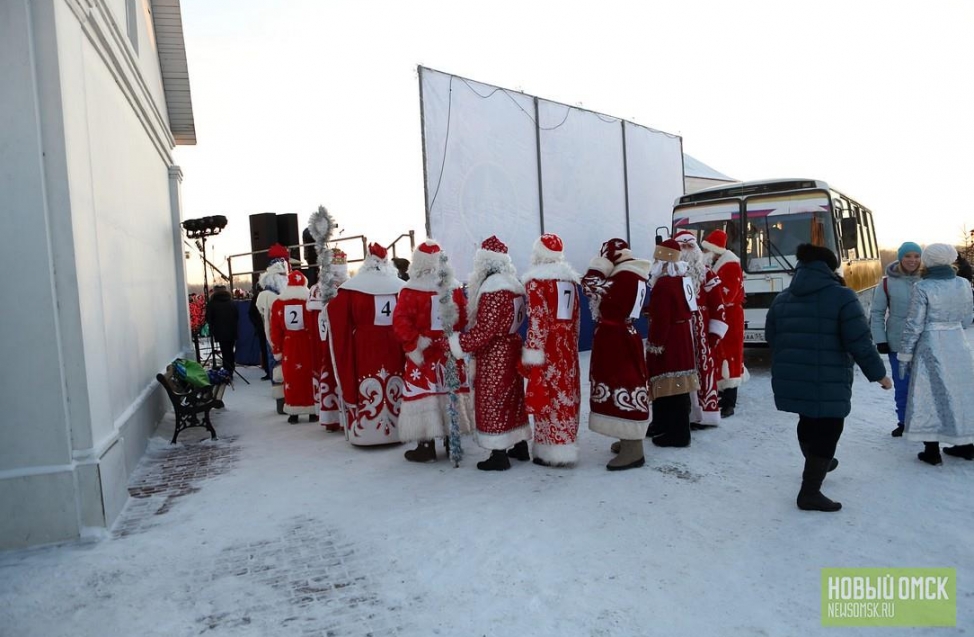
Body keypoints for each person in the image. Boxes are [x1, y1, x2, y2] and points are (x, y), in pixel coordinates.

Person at [766, 244, 892, 512]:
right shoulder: (842, 296)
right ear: (830, 268)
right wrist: (879, 374)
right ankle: (810, 492)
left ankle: (817, 459)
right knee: (829, 428)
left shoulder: (783, 298)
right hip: (829, 376)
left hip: (795, 375)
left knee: (808, 419)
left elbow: (772, 338)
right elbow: (859, 340)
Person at [448, 236, 530, 471]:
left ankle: (498, 453)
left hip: (496, 354)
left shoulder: (494, 288)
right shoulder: (512, 285)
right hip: (512, 347)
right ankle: (519, 444)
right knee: (512, 399)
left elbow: (486, 330)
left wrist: (457, 344)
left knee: (493, 400)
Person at [392, 240, 473, 462]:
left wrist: (415, 343)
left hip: (425, 355)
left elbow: (400, 321)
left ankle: (426, 445)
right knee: (449, 395)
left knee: (425, 397)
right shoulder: (453, 287)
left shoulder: (410, 290)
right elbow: (464, 317)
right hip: (448, 352)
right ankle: (451, 441)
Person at [899, 243, 974, 464]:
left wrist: (905, 354)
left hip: (930, 344)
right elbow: (968, 318)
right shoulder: (963, 283)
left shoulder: (923, 287)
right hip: (958, 343)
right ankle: (967, 444)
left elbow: (914, 324)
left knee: (928, 394)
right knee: (962, 392)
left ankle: (931, 451)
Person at [581, 238, 651, 471]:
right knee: (622, 382)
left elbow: (589, 285)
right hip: (622, 335)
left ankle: (634, 447)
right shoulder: (634, 273)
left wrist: (598, 265)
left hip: (617, 340)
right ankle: (626, 437)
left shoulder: (626, 276)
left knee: (624, 383)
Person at [327, 243, 405, 446]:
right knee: (395, 382)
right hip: (395, 345)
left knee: (369, 384)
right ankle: (398, 430)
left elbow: (336, 312)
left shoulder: (353, 288)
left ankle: (367, 433)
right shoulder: (399, 287)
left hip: (366, 347)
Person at [520, 234, 581, 467]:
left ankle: (550, 450)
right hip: (566, 347)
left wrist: (533, 352)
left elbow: (538, 320)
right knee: (567, 395)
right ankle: (566, 443)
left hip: (547, 349)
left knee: (547, 396)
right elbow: (576, 319)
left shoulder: (536, 281)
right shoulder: (571, 281)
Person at [645, 239, 699, 448]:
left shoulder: (664, 285)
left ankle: (677, 434)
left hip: (670, 339)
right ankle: (666, 425)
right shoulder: (682, 280)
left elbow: (662, 318)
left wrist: (655, 343)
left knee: (671, 387)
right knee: (678, 386)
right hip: (682, 335)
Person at [673, 230, 727, 428]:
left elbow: (719, 305)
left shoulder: (707, 273)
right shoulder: (672, 273)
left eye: (690, 246)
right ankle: (682, 413)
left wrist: (714, 334)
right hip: (680, 333)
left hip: (701, 333)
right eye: (682, 246)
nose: (687, 250)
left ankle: (704, 414)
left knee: (704, 371)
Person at [869, 241, 923, 437]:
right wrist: (880, 339)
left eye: (916, 256)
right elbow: (876, 313)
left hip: (925, 342)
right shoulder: (886, 283)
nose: (913, 260)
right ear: (900, 258)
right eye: (908, 256)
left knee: (926, 386)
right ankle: (904, 422)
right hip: (897, 341)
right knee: (903, 385)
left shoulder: (927, 280)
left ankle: (925, 424)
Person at [701, 229, 745, 418]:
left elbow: (728, 294)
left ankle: (730, 402)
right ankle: (721, 394)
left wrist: (709, 295)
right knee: (719, 355)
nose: (703, 254)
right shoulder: (717, 263)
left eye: (705, 250)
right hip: (720, 316)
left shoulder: (730, 265)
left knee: (732, 357)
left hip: (731, 318)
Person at [270, 270, 318, 423]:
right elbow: (315, 325)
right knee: (309, 375)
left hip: (289, 344)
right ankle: (312, 410)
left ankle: (293, 411)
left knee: (291, 376)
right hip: (308, 343)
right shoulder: (309, 301)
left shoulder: (279, 303)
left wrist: (277, 349)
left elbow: (275, 329)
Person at [256, 244, 292, 413]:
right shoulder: (271, 296)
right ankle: (282, 403)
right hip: (275, 337)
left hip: (280, 336)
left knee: (283, 369)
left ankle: (287, 400)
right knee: (278, 369)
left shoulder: (272, 294)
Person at [205, 284, 238, 374]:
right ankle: (230, 368)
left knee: (224, 350)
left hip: (219, 331)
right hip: (232, 330)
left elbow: (208, 318)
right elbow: (237, 316)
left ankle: (227, 369)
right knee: (230, 350)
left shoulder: (212, 303)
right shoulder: (231, 302)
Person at [248, 289, 271, 380]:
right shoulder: (274, 294)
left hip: (263, 328)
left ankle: (268, 371)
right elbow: (251, 313)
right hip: (266, 328)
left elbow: (251, 313)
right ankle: (269, 371)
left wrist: (257, 325)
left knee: (265, 349)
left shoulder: (257, 297)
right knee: (267, 349)